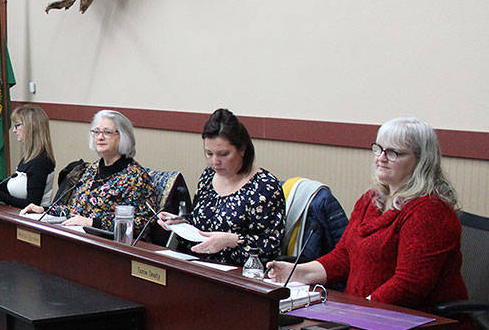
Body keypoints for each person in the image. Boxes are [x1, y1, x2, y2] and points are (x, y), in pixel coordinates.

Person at [266, 117, 465, 314]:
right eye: (378, 149)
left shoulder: (430, 212)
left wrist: (359, 310)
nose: (381, 158)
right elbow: (344, 256)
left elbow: (410, 285)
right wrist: (295, 272)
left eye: (393, 153)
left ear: (421, 161)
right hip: (364, 311)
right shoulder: (370, 200)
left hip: (414, 326)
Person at [158, 108, 285, 265]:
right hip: (198, 265)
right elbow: (201, 224)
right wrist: (179, 223)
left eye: (223, 154)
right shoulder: (208, 176)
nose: (214, 162)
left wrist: (232, 241)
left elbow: (272, 246)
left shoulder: (264, 187)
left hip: (240, 274)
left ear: (242, 150)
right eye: (209, 154)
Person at [22, 109, 155, 232]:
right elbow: (74, 211)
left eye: (107, 132)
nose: (100, 137)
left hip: (112, 248)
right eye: (96, 132)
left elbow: (141, 223)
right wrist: (43, 210)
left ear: (123, 136)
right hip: (80, 239)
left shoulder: (135, 177)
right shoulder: (90, 170)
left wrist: (92, 223)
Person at [0, 104, 55, 209]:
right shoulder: (28, 158)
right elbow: (8, 189)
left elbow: (32, 205)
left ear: (31, 126)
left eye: (17, 125)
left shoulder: (40, 162)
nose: (14, 130)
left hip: (33, 220)